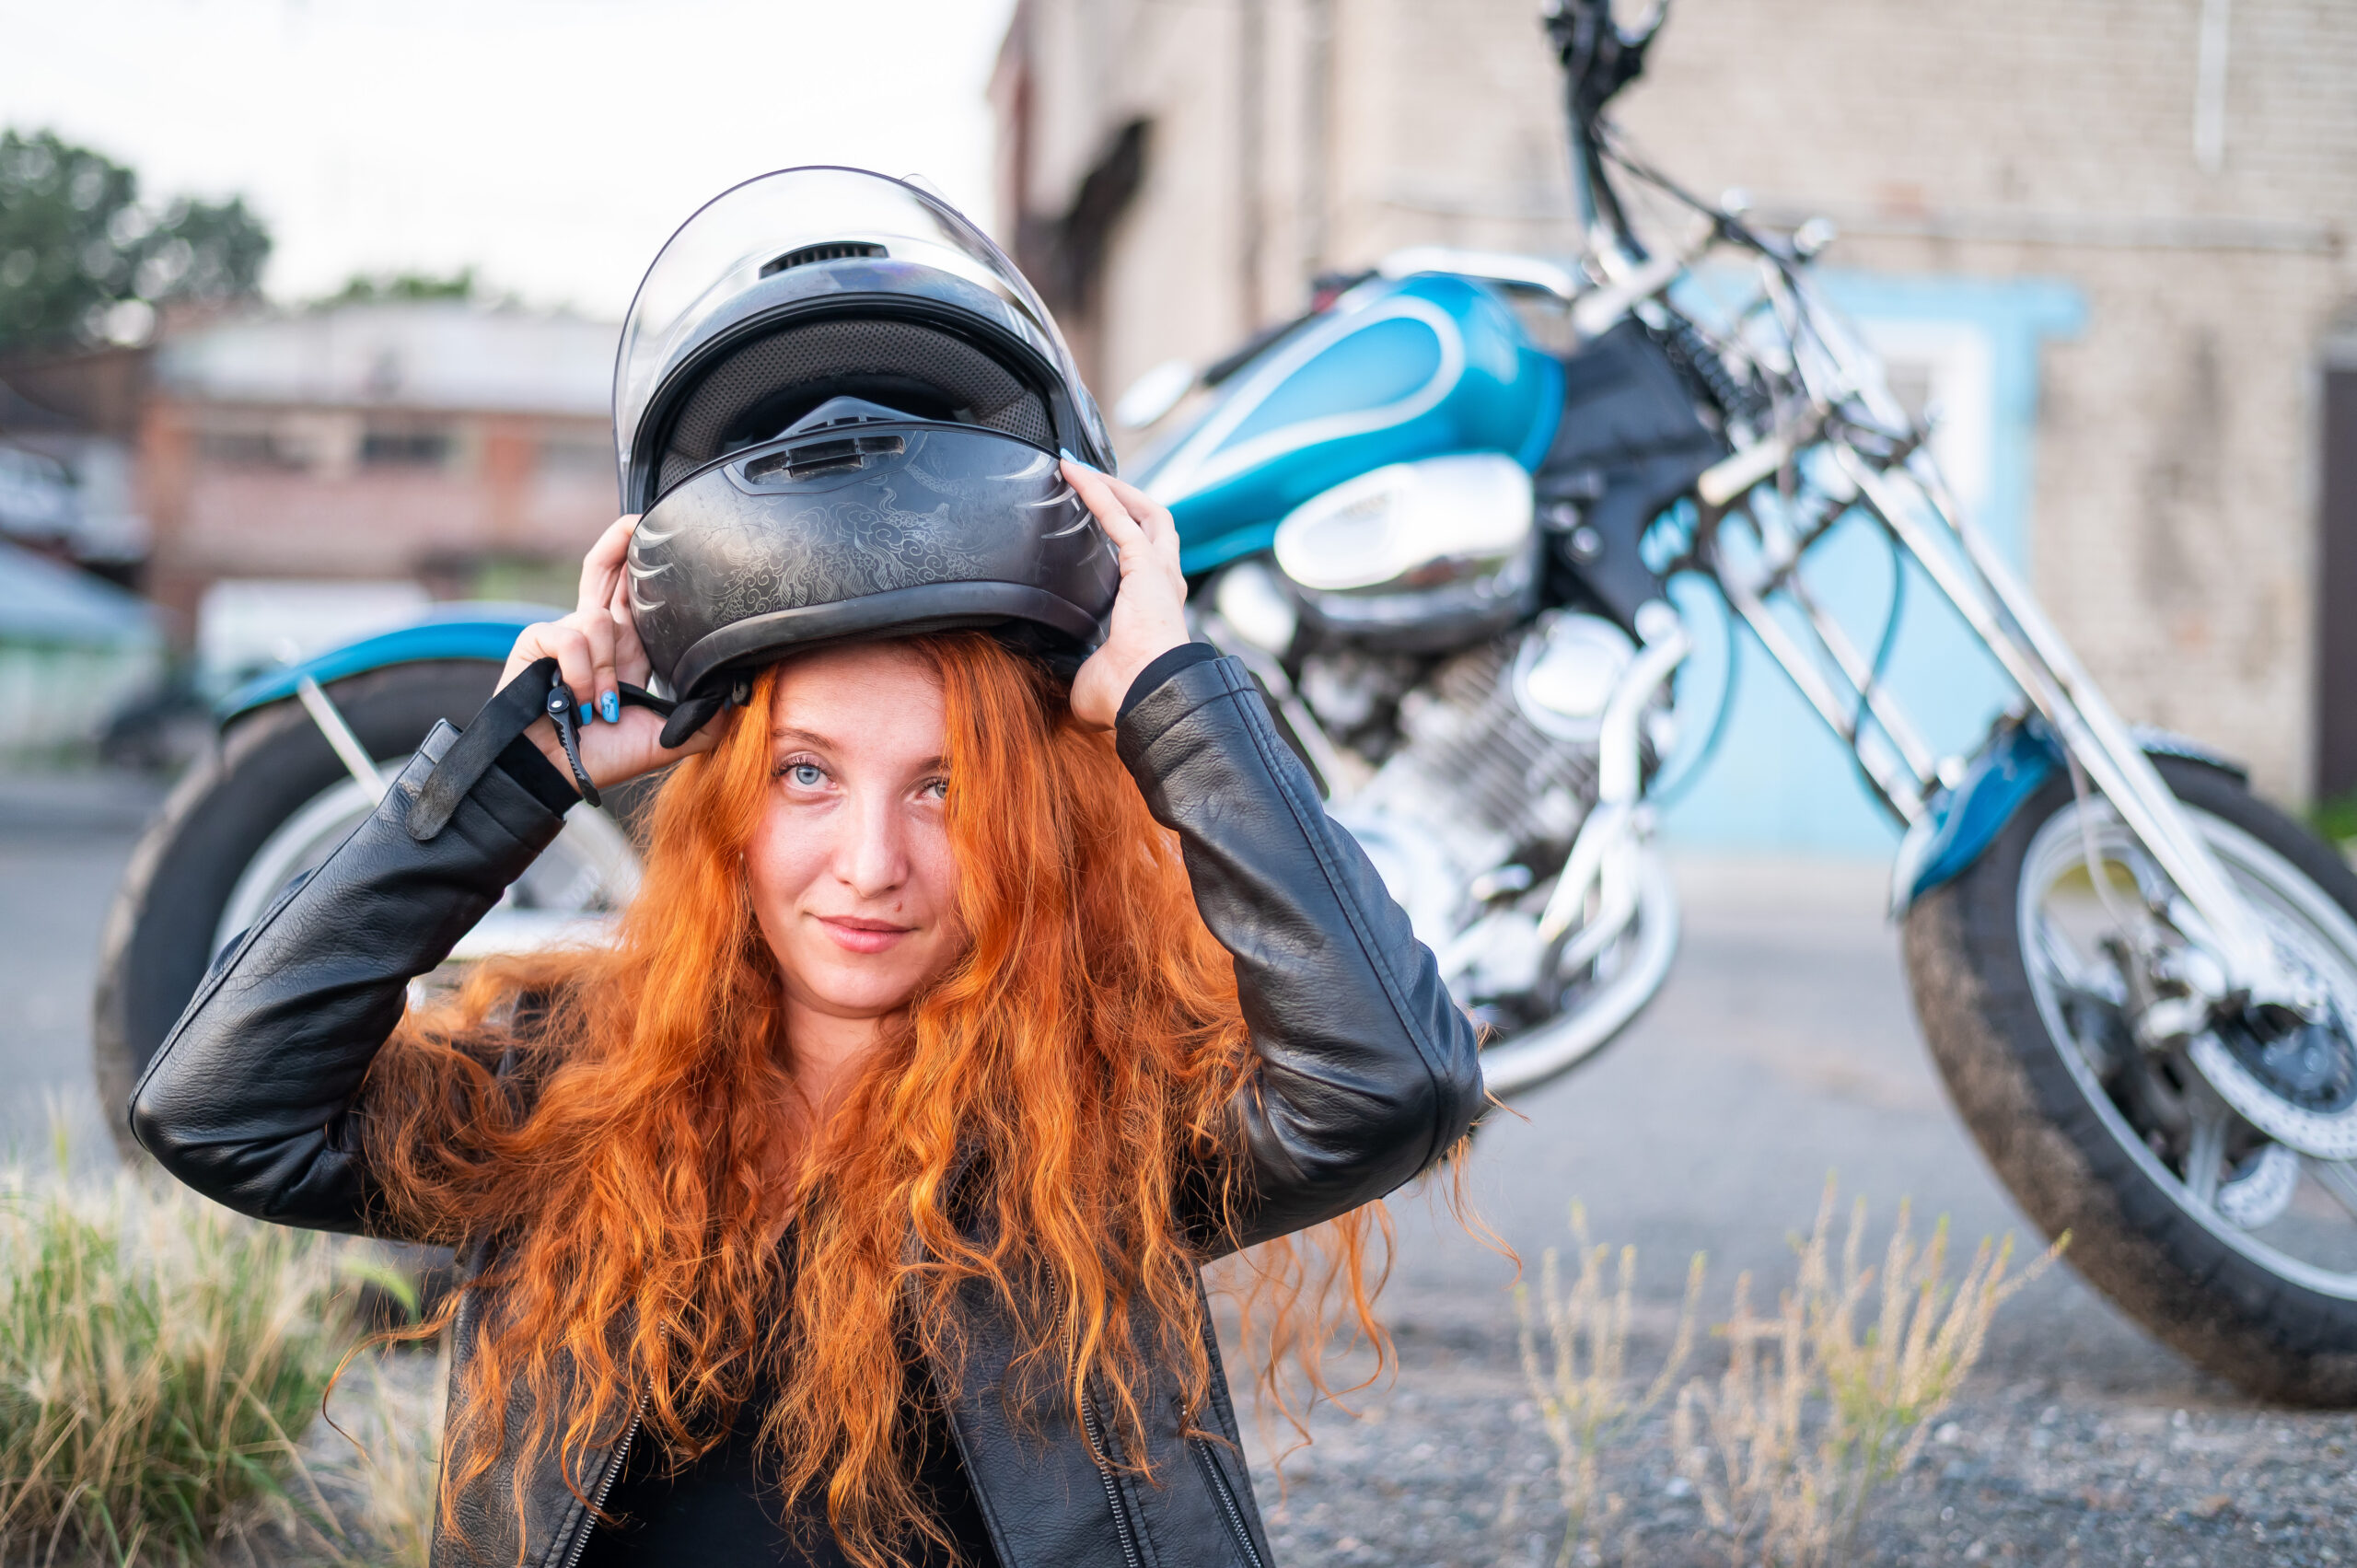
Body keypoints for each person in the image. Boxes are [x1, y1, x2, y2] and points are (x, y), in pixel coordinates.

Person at [129, 168, 1484, 1568]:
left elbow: (1397, 1082)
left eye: (946, 788)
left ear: (1026, 813)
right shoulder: (557, 1083)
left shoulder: (1101, 1109)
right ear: (723, 804)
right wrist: (515, 772)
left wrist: (1175, 698)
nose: (871, 865)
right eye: (807, 775)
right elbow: (221, 1114)